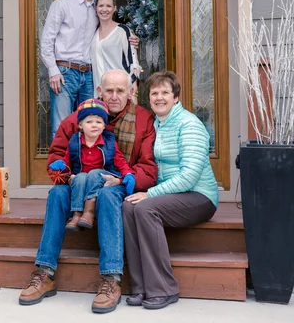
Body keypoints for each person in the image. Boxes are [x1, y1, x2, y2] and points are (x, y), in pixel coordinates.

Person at [19, 69, 157, 314]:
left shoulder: (143, 119)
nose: (114, 96)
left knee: (107, 194)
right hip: (80, 182)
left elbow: (147, 165)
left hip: (119, 185)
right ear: (99, 91)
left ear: (131, 92)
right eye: (109, 90)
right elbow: (55, 157)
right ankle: (44, 272)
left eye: (120, 91)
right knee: (58, 194)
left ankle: (111, 278)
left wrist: (125, 181)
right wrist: (67, 177)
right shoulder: (80, 117)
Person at [122, 71, 218, 310]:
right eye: (154, 93)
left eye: (165, 92)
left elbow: (189, 176)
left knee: (144, 208)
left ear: (176, 97)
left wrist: (151, 194)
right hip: (170, 195)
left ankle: (164, 288)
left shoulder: (189, 124)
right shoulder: (157, 124)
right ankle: (140, 286)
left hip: (199, 196)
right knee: (128, 205)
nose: (159, 97)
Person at [40, 0, 139, 138]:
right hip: (64, 73)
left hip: (89, 77)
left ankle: (84, 166)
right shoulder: (63, 4)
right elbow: (47, 39)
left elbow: (111, 32)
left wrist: (131, 38)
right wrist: (53, 70)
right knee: (62, 127)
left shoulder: (98, 8)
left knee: (90, 127)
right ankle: (60, 166)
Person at [48, 99, 136, 231]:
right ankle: (77, 214)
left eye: (99, 122)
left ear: (104, 126)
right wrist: (61, 164)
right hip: (82, 179)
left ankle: (89, 211)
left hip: (102, 177)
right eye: (89, 122)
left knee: (94, 173)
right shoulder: (75, 142)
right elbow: (67, 158)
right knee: (81, 176)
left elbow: (119, 160)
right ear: (80, 125)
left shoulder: (109, 142)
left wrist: (127, 173)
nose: (94, 125)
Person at [90, 0, 141, 92]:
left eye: (108, 6)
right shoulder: (93, 33)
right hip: (100, 94)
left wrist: (133, 91)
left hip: (119, 92)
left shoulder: (123, 31)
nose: (104, 9)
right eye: (101, 6)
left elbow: (133, 64)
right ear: (96, 8)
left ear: (115, 8)